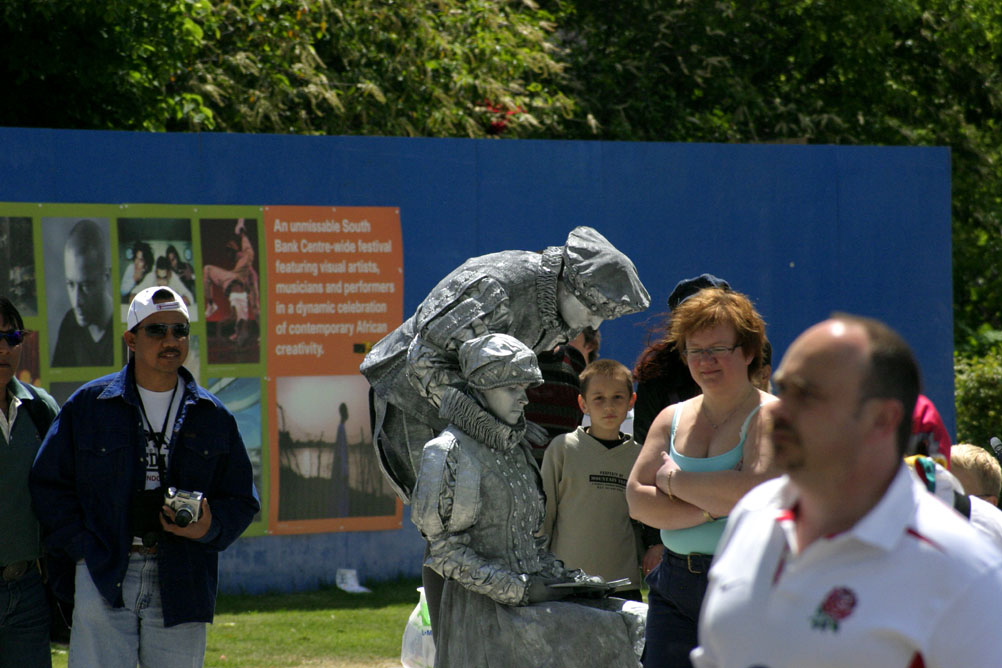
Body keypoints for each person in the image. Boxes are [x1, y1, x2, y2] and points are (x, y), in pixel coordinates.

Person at [361, 226, 649, 639]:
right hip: (413, 403)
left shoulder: (553, 308)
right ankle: (458, 641)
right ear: (567, 283)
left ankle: (501, 636)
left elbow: (500, 375)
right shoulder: (495, 287)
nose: (593, 322)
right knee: (453, 528)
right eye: (590, 308)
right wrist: (488, 427)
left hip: (471, 410)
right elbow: (423, 361)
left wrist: (507, 424)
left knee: (504, 519)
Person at [691, 315, 1002, 668]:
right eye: (782, 389)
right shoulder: (754, 514)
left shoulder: (963, 572)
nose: (778, 409)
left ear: (883, 419)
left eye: (808, 394)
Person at [30, 286, 260, 668]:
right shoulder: (90, 405)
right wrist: (83, 551)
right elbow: (48, 484)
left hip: (183, 574)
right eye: (157, 331)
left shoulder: (213, 415)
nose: (171, 340)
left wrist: (208, 525)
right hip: (104, 568)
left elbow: (241, 499)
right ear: (131, 339)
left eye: (180, 331)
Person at [411, 333, 646, 667]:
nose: (524, 400)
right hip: (481, 616)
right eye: (511, 389)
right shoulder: (448, 453)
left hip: (531, 603)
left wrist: (570, 582)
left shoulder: (518, 451)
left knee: (637, 621)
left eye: (524, 389)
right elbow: (444, 552)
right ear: (481, 389)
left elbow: (530, 544)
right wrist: (521, 590)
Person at [626, 287, 775, 668]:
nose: (704, 361)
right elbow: (637, 500)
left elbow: (752, 493)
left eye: (717, 350)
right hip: (673, 586)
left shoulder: (771, 416)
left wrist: (673, 483)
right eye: (695, 350)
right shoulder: (670, 417)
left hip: (746, 585)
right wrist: (712, 508)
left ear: (747, 352)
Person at [541, 358, 644, 601]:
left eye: (618, 397)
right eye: (598, 398)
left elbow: (644, 522)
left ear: (631, 401)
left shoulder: (639, 456)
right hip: (566, 582)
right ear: (583, 403)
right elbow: (545, 515)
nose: (609, 406)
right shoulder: (562, 448)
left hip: (622, 583)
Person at [0, 297, 59, 667]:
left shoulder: (41, 409)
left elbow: (64, 492)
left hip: (27, 590)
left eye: (13, 336)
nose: (4, 348)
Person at [632, 273, 730, 445]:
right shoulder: (655, 380)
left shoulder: (747, 364)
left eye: (711, 317)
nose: (706, 360)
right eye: (691, 319)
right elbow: (645, 449)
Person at [523, 326, 600, 464]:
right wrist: (514, 429)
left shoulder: (575, 361)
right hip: (517, 471)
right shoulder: (511, 356)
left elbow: (577, 424)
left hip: (561, 474)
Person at [52, 219, 114, 367]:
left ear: (105, 278)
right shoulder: (69, 324)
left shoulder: (125, 329)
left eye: (86, 285)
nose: (76, 301)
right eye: (71, 284)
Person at [204, 218, 259, 346]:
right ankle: (211, 305)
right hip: (234, 282)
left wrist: (219, 333)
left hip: (235, 281)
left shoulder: (244, 259)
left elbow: (248, 250)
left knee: (207, 269)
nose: (228, 256)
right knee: (208, 270)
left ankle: (212, 305)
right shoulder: (242, 317)